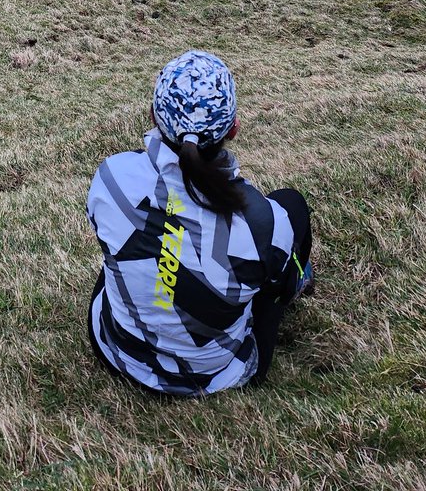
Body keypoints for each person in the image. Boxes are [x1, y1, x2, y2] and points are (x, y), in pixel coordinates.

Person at [86, 50, 314, 396]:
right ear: (234, 128)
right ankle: (297, 279)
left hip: (118, 353)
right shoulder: (267, 222)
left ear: (152, 115)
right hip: (213, 375)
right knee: (291, 206)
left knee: (127, 243)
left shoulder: (111, 177)